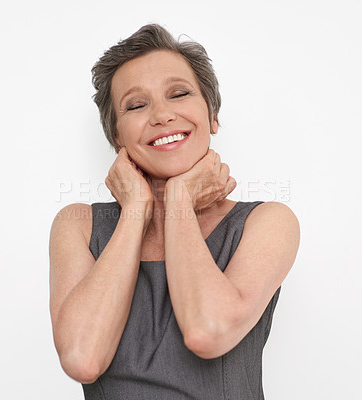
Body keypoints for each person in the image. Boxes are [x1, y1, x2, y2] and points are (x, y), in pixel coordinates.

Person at [49, 24, 300, 399]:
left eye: (179, 94)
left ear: (212, 116)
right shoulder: (79, 226)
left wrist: (178, 201)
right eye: (136, 105)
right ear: (117, 136)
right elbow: (82, 358)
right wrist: (137, 209)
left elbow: (207, 331)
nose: (162, 115)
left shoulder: (266, 223)